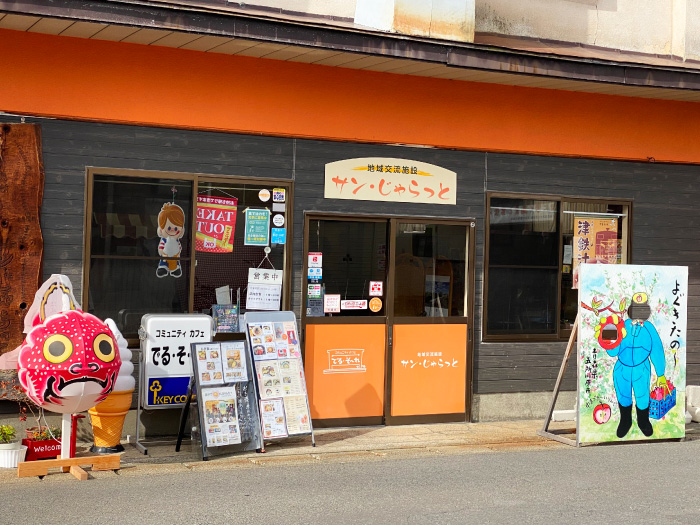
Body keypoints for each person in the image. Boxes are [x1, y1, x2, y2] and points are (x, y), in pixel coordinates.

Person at [602, 292, 666, 438]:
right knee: (623, 396)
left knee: (642, 396)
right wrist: (607, 338)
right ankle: (625, 421)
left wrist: (660, 373)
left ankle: (643, 421)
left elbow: (657, 350)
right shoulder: (621, 326)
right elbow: (612, 352)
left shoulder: (649, 328)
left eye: (642, 309)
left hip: (641, 368)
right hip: (622, 368)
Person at [156, 202, 185, 278]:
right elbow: (160, 248)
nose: (172, 230)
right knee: (163, 262)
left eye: (176, 228)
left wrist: (178, 254)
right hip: (165, 256)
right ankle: (163, 268)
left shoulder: (177, 241)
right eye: (169, 228)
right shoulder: (164, 240)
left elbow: (179, 248)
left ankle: (175, 269)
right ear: (161, 230)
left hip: (174, 257)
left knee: (175, 263)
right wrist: (163, 253)